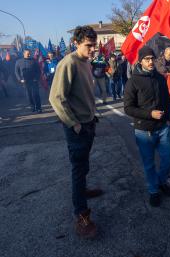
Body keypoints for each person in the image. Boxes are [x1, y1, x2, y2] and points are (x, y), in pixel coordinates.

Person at [49, 26, 104, 238]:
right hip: (77, 128)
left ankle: (82, 190)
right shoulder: (68, 63)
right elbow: (56, 98)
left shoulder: (85, 62)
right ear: (76, 43)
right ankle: (81, 214)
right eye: (88, 45)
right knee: (78, 169)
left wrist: (92, 115)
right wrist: (74, 123)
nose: (92, 49)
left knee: (84, 165)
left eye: (94, 45)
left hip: (88, 123)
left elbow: (82, 94)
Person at [124, 46, 170, 207]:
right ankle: (153, 190)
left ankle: (161, 182)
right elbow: (128, 108)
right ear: (140, 61)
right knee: (149, 163)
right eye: (147, 59)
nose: (150, 61)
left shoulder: (160, 78)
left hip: (163, 127)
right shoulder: (133, 81)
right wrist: (149, 114)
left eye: (152, 58)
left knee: (167, 159)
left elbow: (167, 100)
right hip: (143, 130)